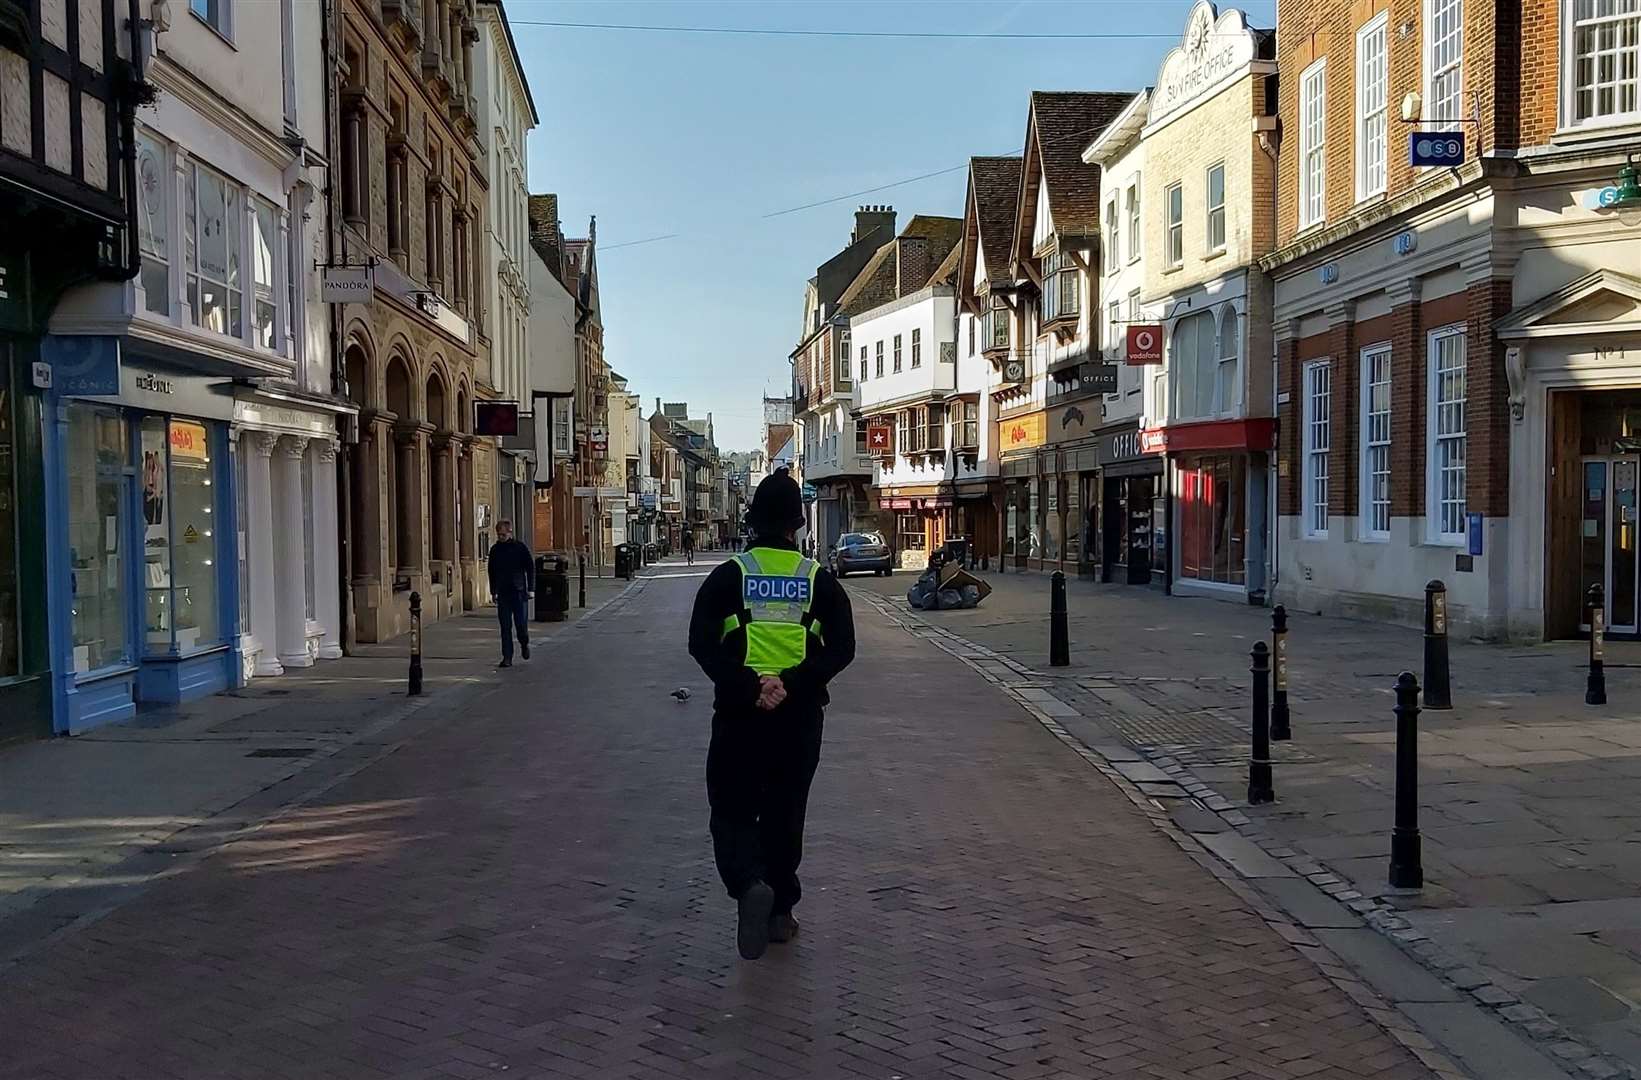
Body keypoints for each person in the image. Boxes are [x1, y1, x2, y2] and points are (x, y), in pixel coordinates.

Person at [688, 472, 856, 960]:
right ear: (797, 526)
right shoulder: (818, 580)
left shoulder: (728, 576)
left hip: (740, 715)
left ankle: (747, 885)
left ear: (753, 521)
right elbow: (842, 648)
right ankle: (781, 911)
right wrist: (793, 684)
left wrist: (750, 685)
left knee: (732, 809)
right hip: (799, 718)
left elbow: (701, 644)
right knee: (786, 812)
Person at [487, 520, 533, 668]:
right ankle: (507, 657)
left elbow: (530, 568)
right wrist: (493, 591)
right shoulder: (495, 550)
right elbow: (491, 572)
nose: (501, 537)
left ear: (510, 532)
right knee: (505, 627)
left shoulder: (520, 548)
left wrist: (531, 588)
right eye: (499, 535)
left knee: (520, 625)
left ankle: (524, 643)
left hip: (519, 592)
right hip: (503, 593)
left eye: (503, 534)